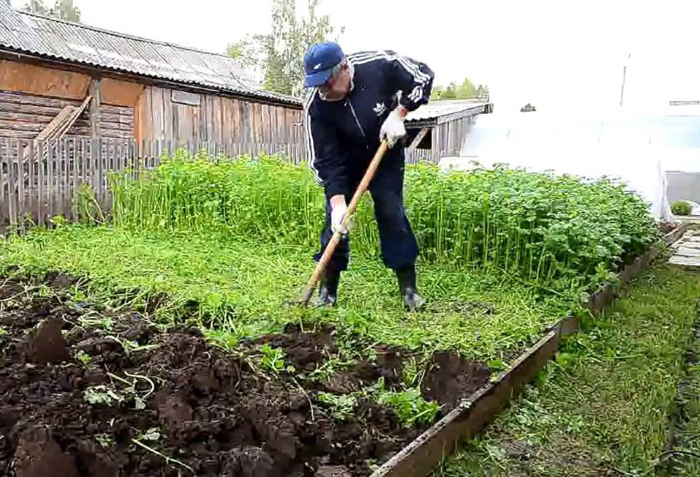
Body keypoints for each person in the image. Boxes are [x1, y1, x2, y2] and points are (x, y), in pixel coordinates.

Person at [303, 41, 434, 310]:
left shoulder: (379, 65)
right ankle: (328, 293)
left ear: (344, 69)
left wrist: (400, 113)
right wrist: (338, 205)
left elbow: (423, 76)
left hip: (385, 152)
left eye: (326, 83)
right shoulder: (317, 107)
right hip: (345, 163)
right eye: (316, 85)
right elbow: (326, 161)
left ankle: (409, 289)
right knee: (334, 223)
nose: (322, 91)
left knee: (391, 212)